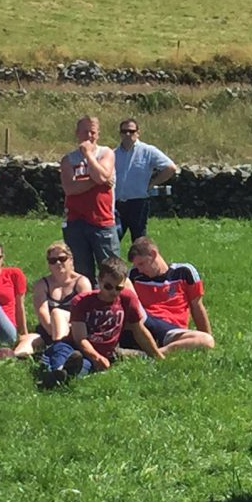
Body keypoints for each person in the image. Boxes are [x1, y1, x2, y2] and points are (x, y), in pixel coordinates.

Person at [40, 256, 163, 388]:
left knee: (84, 365)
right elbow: (79, 338)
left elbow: (139, 330)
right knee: (62, 350)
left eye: (118, 288)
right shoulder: (82, 301)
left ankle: (65, 376)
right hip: (77, 346)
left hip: (104, 352)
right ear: (99, 280)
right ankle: (56, 372)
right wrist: (97, 357)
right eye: (108, 286)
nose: (113, 292)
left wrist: (158, 356)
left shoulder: (127, 299)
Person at [126, 237, 214, 354]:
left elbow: (197, 307)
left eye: (142, 264)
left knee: (206, 340)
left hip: (172, 330)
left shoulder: (184, 272)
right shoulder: (134, 275)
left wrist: (205, 333)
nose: (140, 270)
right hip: (145, 324)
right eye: (137, 266)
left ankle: (154, 353)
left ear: (153, 254)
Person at [60, 115, 118, 285]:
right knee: (81, 271)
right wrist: (97, 180)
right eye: (85, 131)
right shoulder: (68, 160)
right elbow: (70, 188)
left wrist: (88, 155)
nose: (89, 136)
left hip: (102, 220)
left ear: (98, 134)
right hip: (76, 222)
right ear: (77, 133)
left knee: (111, 269)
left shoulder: (106, 153)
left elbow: (102, 177)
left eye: (93, 132)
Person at [113, 118, 178, 243]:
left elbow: (170, 167)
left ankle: (140, 263)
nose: (127, 134)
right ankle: (114, 263)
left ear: (138, 133)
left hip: (138, 203)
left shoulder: (148, 151)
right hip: (117, 203)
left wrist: (153, 183)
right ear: (120, 133)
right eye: (124, 131)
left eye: (131, 131)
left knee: (139, 241)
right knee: (113, 240)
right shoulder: (112, 154)